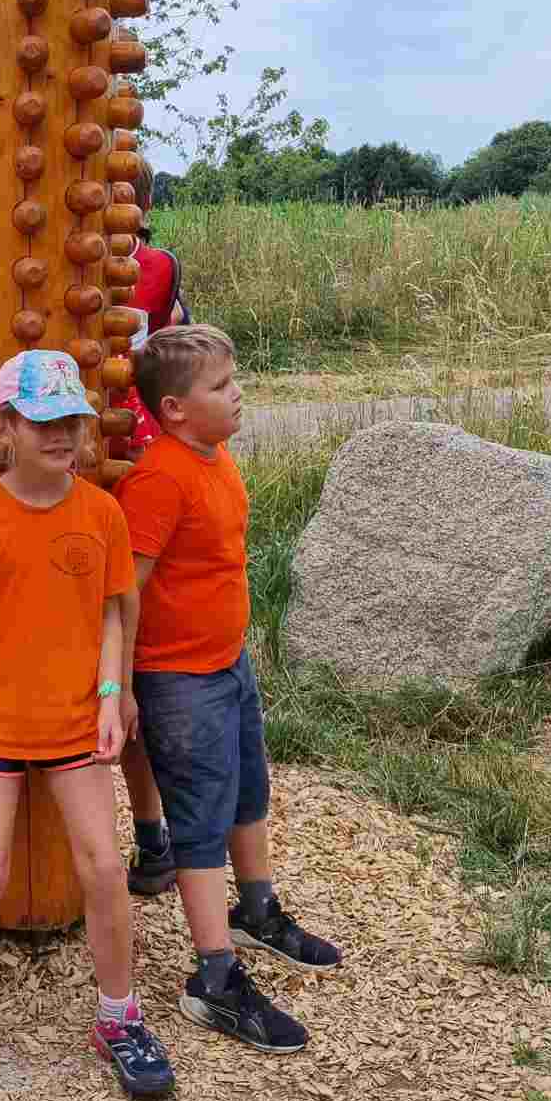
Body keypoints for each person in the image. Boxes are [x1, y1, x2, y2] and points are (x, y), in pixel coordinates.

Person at [0, 350, 176, 1101]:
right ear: (4, 427)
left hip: (74, 719)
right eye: (43, 421)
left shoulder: (101, 512)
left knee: (104, 864)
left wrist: (113, 697)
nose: (62, 435)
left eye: (73, 421)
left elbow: (112, 616)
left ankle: (118, 1015)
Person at [116, 324, 343, 1055]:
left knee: (247, 791)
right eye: (220, 385)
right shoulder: (160, 479)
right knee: (200, 817)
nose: (237, 393)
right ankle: (213, 976)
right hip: (178, 679)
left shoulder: (216, 458)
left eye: (233, 378)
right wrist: (119, 686)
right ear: (174, 409)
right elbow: (125, 592)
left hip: (227, 664)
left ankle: (257, 910)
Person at [117, 162, 187, 895]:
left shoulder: (158, 269)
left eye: (123, 197)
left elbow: (172, 358)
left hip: (134, 465)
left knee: (136, 658)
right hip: (71, 467)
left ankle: (154, 828)